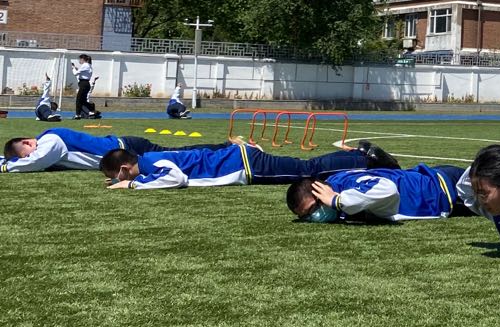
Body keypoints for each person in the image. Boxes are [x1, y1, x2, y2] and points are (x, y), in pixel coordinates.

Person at [100, 138, 400, 190]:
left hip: (245, 164)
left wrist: (134, 185)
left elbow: (174, 178)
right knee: (304, 167)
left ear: (126, 168)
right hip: (241, 160)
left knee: (305, 170)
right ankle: (361, 156)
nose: (120, 180)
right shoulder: (149, 162)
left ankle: (365, 159)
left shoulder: (151, 164)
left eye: (119, 176)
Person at [287, 164, 466, 223]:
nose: (314, 216)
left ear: (321, 192)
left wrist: (337, 201)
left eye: (313, 209)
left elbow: (387, 189)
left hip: (443, 188)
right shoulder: (335, 183)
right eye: (306, 216)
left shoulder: (345, 188)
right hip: (434, 183)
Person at [2, 128, 209, 173]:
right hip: (124, 149)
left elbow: (35, 161)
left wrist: (5, 167)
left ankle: (222, 150)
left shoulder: (50, 141)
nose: (28, 158)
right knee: (177, 153)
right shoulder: (48, 142)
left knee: (179, 154)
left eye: (25, 155)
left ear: (28, 142)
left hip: (127, 149)